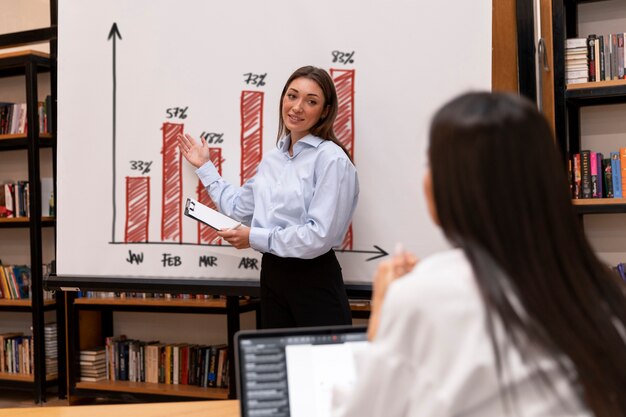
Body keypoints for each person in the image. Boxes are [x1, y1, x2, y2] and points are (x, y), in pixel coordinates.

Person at [332, 92, 626, 417]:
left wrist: (381, 324)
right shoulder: (600, 286)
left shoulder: (425, 294)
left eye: (431, 163)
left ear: (450, 186)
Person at [178, 66, 358, 329]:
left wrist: (253, 237)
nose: (297, 107)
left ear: (325, 111)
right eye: (292, 96)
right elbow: (239, 208)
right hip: (272, 276)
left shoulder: (332, 160)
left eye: (311, 101)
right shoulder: (275, 157)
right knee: (278, 367)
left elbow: (319, 236)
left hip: (314, 280)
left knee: (321, 369)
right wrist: (205, 167)